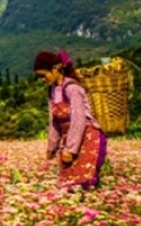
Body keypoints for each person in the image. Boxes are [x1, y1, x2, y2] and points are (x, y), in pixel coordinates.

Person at [33, 50, 107, 189]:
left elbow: (78, 119)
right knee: (69, 183)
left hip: (88, 138)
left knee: (84, 181)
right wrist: (51, 147)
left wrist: (71, 150)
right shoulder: (52, 91)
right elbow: (54, 122)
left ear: (55, 69)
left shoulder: (72, 88)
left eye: (44, 75)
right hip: (71, 139)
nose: (43, 79)